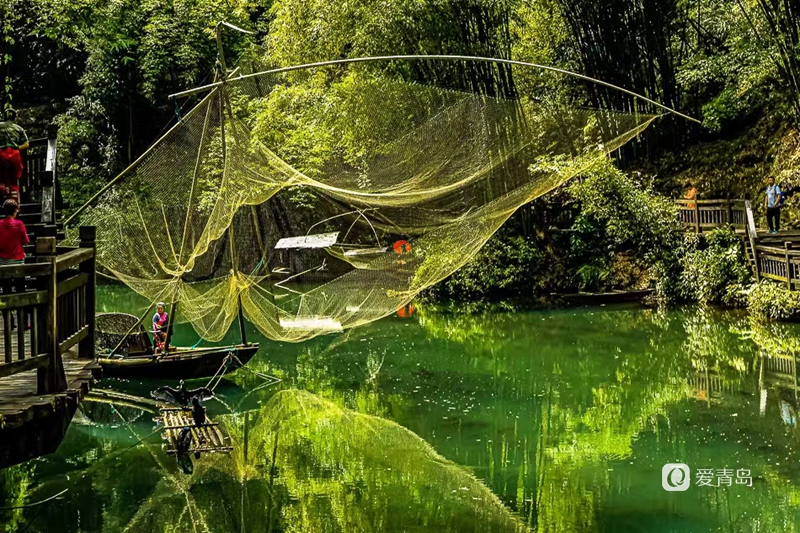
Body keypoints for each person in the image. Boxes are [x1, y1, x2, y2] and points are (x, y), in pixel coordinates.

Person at [0, 109, 29, 202]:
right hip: (14, 155)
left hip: (1, 154)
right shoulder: (19, 128)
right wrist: (16, 148)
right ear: (15, 117)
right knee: (14, 181)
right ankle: (15, 204)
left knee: (1, 179)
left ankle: (2, 199)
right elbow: (27, 144)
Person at [0, 199, 29, 266]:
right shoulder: (19, 224)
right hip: (17, 260)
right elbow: (26, 241)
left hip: (2, 261)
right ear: (15, 211)